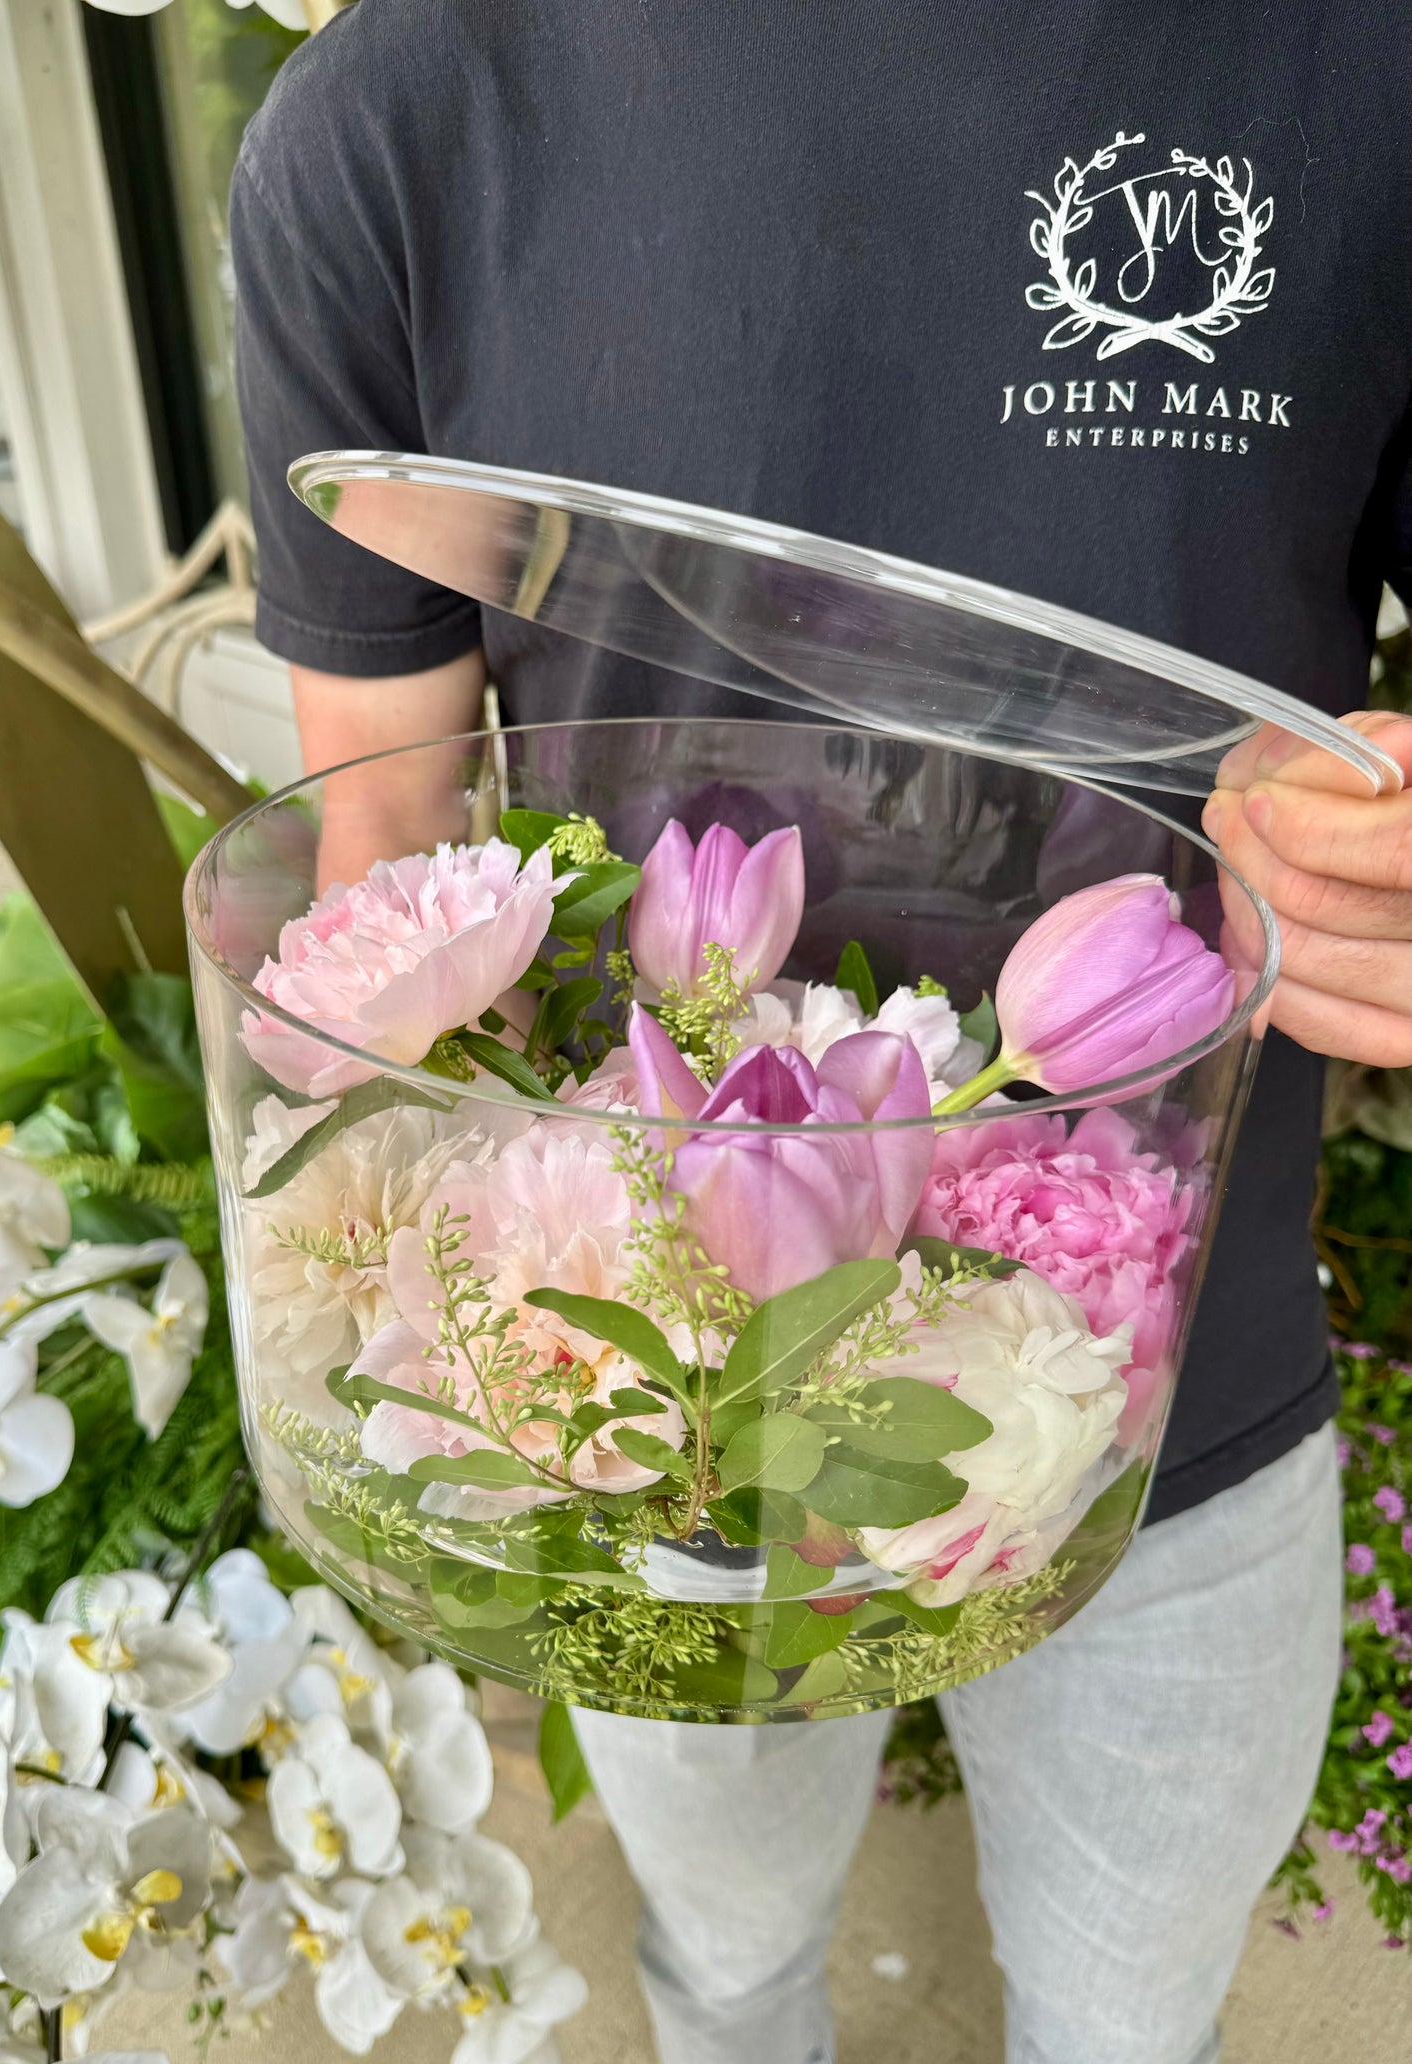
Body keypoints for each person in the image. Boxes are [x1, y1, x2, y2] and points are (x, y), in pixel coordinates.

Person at [228, 7, 1412, 2060]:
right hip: (637, 1417)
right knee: (728, 1966)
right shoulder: (404, 119)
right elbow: (388, 841)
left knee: (1135, 2025)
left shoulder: (1361, 71)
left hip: (1180, 1379)